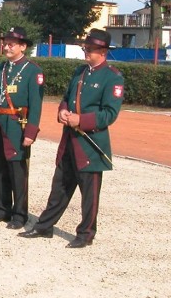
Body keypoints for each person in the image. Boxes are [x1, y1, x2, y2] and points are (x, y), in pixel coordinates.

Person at [19, 29, 124, 248]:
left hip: (90, 144)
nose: (86, 51)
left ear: (103, 51)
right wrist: (63, 111)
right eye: (86, 47)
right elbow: (67, 98)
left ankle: (86, 234)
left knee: (89, 194)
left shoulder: (112, 77)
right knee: (59, 187)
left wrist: (81, 120)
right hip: (70, 141)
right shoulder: (80, 72)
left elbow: (109, 114)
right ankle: (44, 227)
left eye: (91, 49)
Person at [0, 26, 44, 229]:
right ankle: (1, 209)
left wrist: (31, 132)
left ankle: (19, 215)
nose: (6, 47)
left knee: (17, 172)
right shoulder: (0, 69)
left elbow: (36, 105)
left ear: (23, 46)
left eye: (11, 44)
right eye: (5, 43)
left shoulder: (33, 70)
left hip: (17, 126)